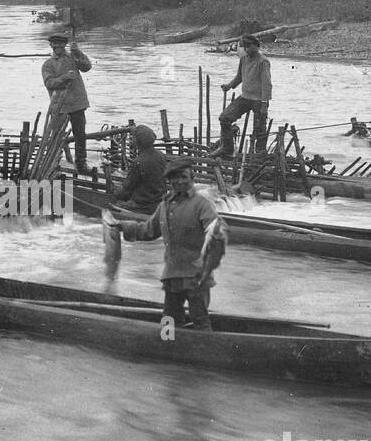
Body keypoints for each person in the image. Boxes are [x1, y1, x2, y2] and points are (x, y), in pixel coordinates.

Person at [110, 158, 226, 332]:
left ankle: (205, 353)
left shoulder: (201, 205)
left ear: (191, 178)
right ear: (169, 180)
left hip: (196, 277)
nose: (179, 181)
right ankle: (168, 348)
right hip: (172, 275)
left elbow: (217, 232)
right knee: (169, 320)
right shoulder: (164, 206)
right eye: (175, 178)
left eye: (184, 177)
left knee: (200, 318)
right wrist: (122, 226)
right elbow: (148, 230)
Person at [41, 32, 93, 174]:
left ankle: (81, 165)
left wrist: (76, 51)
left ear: (65, 45)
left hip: (77, 104)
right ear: (51, 45)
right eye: (55, 43)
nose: (58, 46)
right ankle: (53, 164)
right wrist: (65, 78)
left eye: (61, 43)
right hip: (59, 106)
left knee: (80, 136)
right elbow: (49, 83)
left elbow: (87, 67)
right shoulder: (48, 64)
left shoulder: (73, 57)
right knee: (56, 137)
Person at [211, 35, 271, 157]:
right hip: (245, 97)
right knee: (225, 118)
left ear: (256, 46)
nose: (247, 49)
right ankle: (227, 148)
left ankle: (259, 155)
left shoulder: (263, 61)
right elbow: (239, 77)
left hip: (259, 100)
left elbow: (267, 84)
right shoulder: (243, 60)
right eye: (245, 47)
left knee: (259, 129)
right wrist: (229, 86)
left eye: (249, 46)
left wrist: (264, 104)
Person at [112, 125, 167, 213]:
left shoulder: (138, 162)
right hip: (159, 202)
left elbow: (128, 187)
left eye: (133, 138)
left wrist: (115, 193)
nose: (132, 139)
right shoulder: (161, 156)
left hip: (143, 205)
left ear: (137, 141)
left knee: (115, 205)